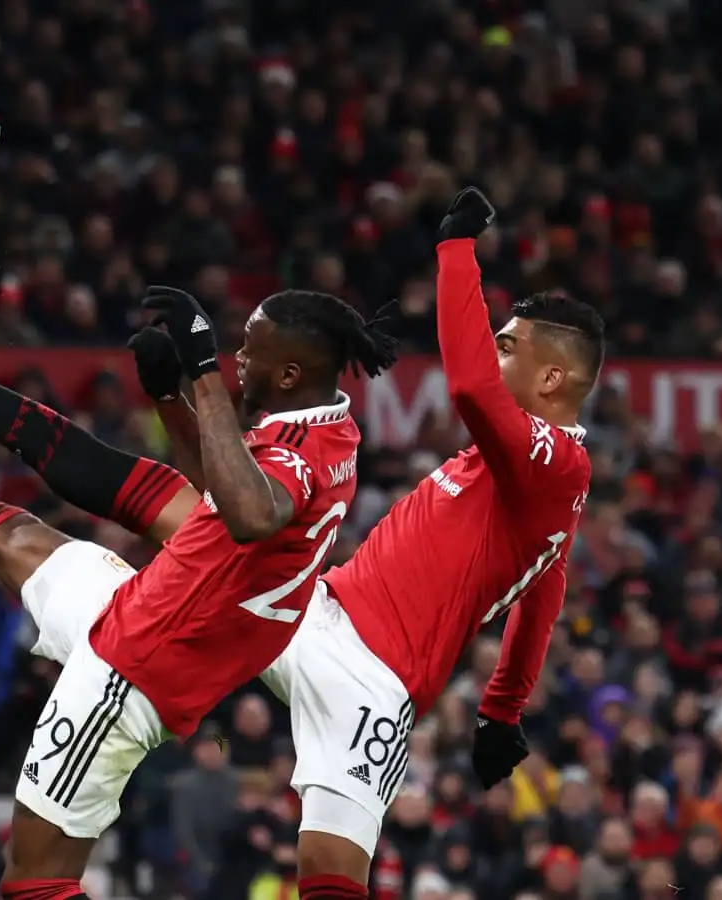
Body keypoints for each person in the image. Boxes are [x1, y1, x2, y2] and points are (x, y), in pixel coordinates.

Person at [0, 268, 396, 900]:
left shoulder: (294, 452)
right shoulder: (333, 428)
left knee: (35, 884)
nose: (236, 362)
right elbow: (224, 492)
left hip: (131, 669)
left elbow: (253, 511)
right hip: (152, 605)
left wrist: (202, 373)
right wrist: (171, 398)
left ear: (289, 374)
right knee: (11, 535)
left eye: (248, 351)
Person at [132, 188, 604, 898]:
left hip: (375, 683)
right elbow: (546, 586)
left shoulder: (554, 463)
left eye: (508, 345)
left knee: (328, 872)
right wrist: (501, 711)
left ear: (552, 378)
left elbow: (473, 389)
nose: (492, 352)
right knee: (192, 536)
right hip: (316, 614)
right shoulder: (536, 477)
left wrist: (455, 250)